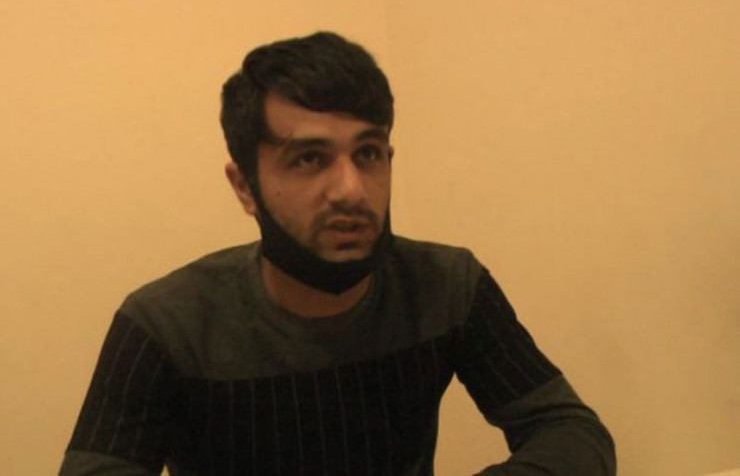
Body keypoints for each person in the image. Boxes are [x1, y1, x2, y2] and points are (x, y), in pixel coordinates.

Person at [60, 31, 616, 475]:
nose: (351, 190)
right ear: (245, 186)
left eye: (368, 153)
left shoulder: (448, 286)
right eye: (309, 159)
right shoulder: (166, 324)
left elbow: (571, 432)